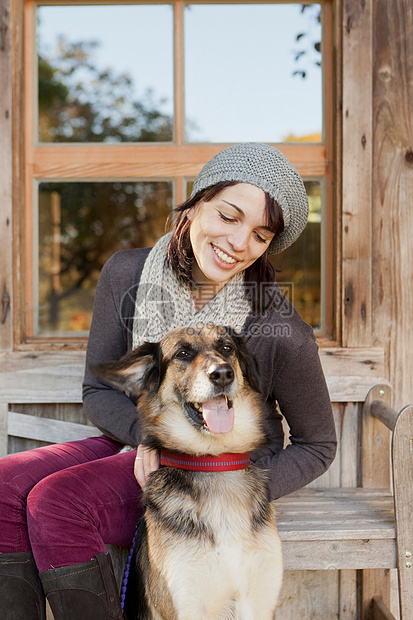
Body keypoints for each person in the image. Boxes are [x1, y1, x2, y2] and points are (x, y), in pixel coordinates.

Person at [0, 143, 337, 619]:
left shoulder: (278, 329)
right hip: (139, 439)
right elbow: (99, 391)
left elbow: (318, 444)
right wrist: (149, 441)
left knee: (58, 503)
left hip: (217, 469)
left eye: (260, 235)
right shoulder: (128, 273)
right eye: (229, 216)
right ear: (197, 201)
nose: (240, 242)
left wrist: (242, 490)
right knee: (5, 483)